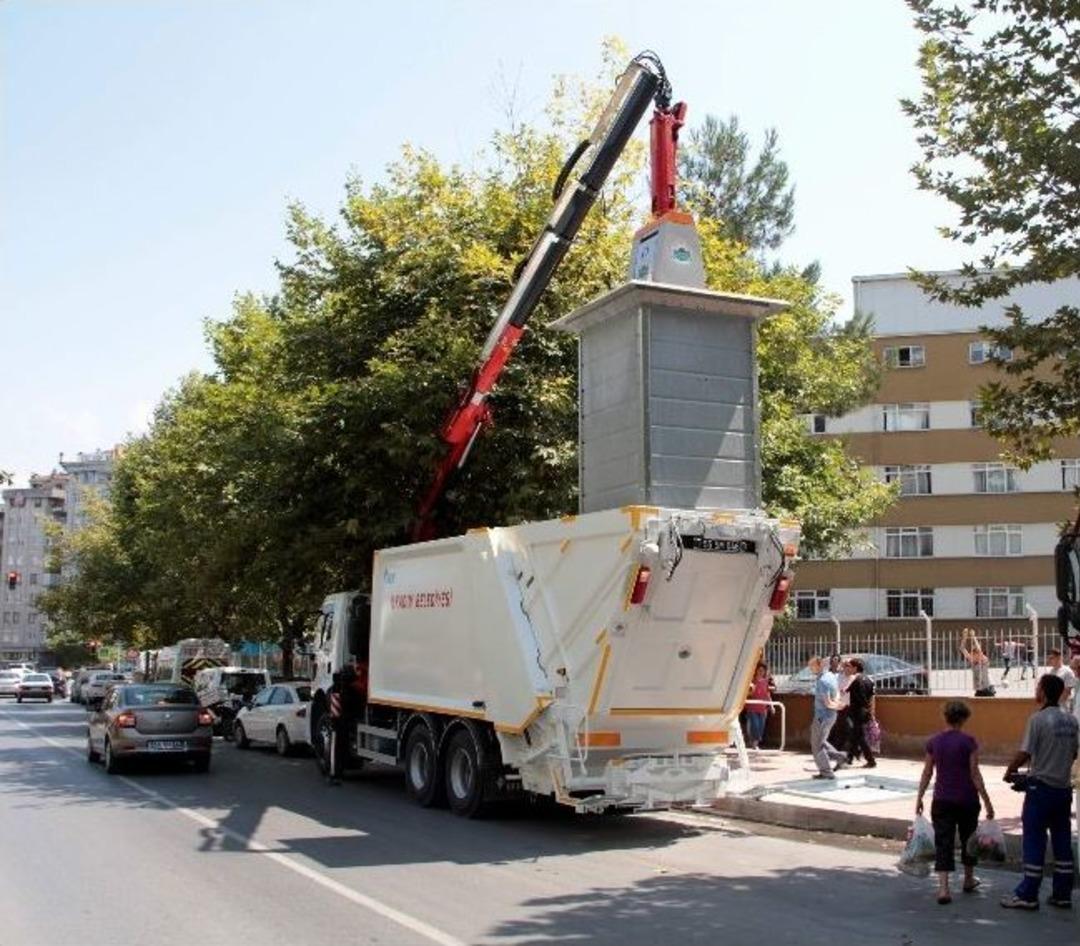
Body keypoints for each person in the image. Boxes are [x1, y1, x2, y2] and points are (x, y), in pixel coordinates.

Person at [1000, 673, 1080, 910]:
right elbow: (1073, 753)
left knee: (1034, 840)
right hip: (1063, 789)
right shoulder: (1071, 721)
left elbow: (1025, 752)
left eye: (1038, 687)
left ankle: (1028, 894)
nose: (1036, 691)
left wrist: (1010, 770)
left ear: (1044, 692)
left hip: (1040, 789)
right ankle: (1062, 894)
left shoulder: (1038, 719)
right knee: (1062, 841)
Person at [915, 700, 995, 905]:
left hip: (942, 799)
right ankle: (968, 879)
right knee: (969, 839)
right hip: (967, 799)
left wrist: (920, 797)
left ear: (946, 717)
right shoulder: (969, 741)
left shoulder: (934, 742)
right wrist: (987, 802)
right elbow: (975, 774)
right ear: (963, 718)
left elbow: (927, 772)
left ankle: (943, 889)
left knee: (944, 842)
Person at [808, 655, 846, 779]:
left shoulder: (822, 681)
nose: (810, 669)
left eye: (811, 666)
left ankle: (826, 772)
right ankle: (840, 757)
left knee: (817, 746)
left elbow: (828, 702)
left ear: (819, 665)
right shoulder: (831, 676)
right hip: (830, 716)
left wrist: (838, 706)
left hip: (822, 717)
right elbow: (838, 695)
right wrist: (839, 705)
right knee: (821, 742)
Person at [845, 657, 876, 768]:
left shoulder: (854, 680)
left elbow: (844, 692)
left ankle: (871, 760)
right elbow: (872, 698)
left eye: (850, 667)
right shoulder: (869, 680)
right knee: (855, 736)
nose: (847, 669)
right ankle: (849, 758)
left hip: (856, 711)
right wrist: (872, 713)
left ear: (855, 668)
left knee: (859, 736)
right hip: (865, 711)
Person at [745, 662, 772, 750]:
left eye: (763, 671)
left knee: (761, 727)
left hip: (762, 708)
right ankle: (754, 744)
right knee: (755, 725)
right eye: (759, 670)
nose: (761, 672)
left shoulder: (765, 681)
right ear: (756, 671)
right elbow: (748, 693)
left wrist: (771, 706)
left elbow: (767, 694)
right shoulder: (751, 681)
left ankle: (754, 743)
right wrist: (752, 690)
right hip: (752, 708)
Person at [960, 628, 994, 697]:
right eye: (972, 653)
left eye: (975, 653)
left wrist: (973, 637)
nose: (973, 654)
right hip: (979, 689)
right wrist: (964, 637)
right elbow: (962, 648)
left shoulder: (984, 660)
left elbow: (979, 649)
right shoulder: (972, 660)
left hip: (988, 688)